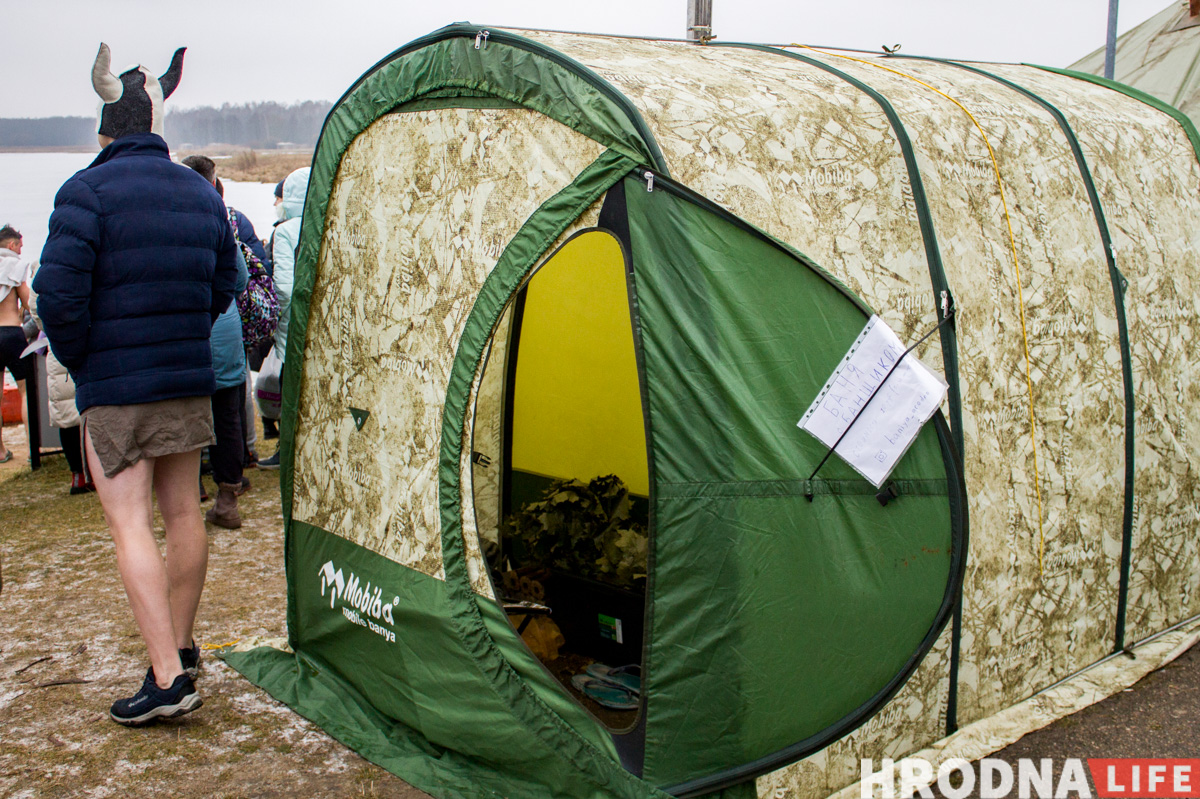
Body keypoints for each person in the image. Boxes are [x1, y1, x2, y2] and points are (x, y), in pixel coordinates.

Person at [33, 43, 238, 726]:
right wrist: (185, 331)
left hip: (118, 385)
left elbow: (58, 297)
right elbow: (226, 281)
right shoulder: (197, 191)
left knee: (130, 525)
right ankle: (180, 645)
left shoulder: (85, 191)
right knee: (183, 513)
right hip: (185, 375)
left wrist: (86, 362)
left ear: (105, 130)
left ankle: (168, 676)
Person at [181, 156, 250, 528]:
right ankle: (227, 500)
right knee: (227, 419)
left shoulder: (168, 219)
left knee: (184, 417)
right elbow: (239, 279)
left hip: (185, 333)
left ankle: (188, 494)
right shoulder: (218, 218)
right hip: (222, 330)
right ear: (214, 181)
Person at [257, 166, 308, 470]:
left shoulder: (286, 232)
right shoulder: (328, 224)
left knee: (291, 397)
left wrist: (278, 320)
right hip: (327, 329)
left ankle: (287, 453)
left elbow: (285, 288)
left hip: (294, 331)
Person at [0, 225, 32, 463]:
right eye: (20, 246)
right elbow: (30, 303)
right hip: (12, 333)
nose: (21, 251)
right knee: (26, 392)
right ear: (11, 245)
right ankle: (32, 450)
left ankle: (1, 452)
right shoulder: (15, 266)